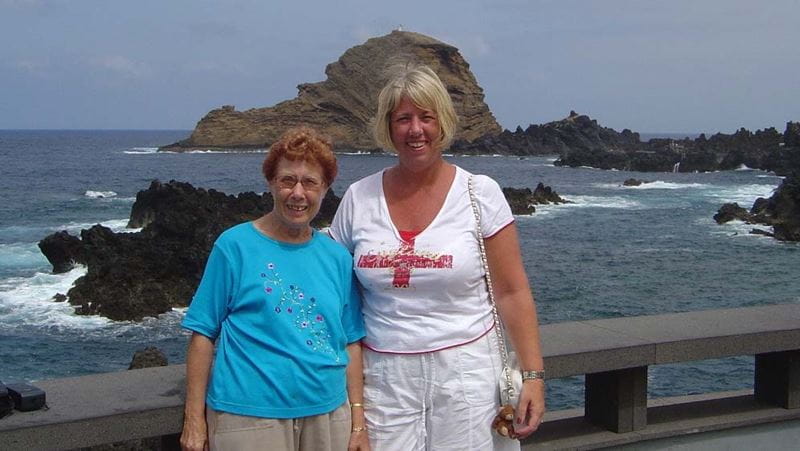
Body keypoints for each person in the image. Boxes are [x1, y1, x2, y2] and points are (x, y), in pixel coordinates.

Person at [329, 64, 546, 450]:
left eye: (427, 117)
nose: (416, 129)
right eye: (404, 119)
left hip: (465, 373)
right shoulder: (359, 198)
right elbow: (330, 286)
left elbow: (512, 292)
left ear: (442, 122)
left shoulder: (480, 194)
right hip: (384, 378)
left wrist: (533, 375)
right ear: (388, 127)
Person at [180, 126, 369, 451]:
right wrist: (194, 420)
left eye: (310, 182)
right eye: (287, 181)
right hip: (248, 417)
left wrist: (357, 421)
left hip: (328, 415)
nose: (298, 193)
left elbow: (351, 341)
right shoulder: (234, 246)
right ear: (271, 183)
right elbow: (202, 333)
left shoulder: (337, 257)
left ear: (325, 189)